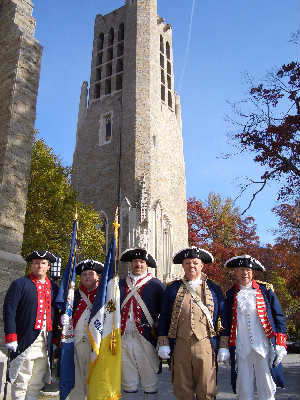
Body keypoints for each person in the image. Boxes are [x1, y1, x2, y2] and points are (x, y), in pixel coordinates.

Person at [157, 246, 229, 400]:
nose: (192, 266)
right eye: (188, 263)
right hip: (180, 344)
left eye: (195, 263)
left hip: (205, 344)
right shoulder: (172, 289)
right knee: (182, 389)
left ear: (202, 265)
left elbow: (222, 318)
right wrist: (163, 341)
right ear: (182, 266)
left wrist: (223, 345)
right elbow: (164, 317)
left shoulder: (214, 289)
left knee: (206, 389)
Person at [224, 254, 287, 400]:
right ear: (235, 272)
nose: (244, 273)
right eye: (240, 269)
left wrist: (280, 343)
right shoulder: (230, 294)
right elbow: (226, 323)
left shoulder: (266, 291)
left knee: (267, 387)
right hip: (241, 348)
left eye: (247, 269)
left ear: (253, 272)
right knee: (244, 389)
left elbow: (279, 318)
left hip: (263, 347)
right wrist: (225, 346)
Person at [3, 250, 59, 400]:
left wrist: (54, 340)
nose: (39, 266)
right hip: (25, 340)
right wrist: (11, 336)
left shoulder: (54, 288)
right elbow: (9, 310)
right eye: (36, 263)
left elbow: (58, 315)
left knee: (36, 383)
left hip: (45, 343)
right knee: (21, 381)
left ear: (48, 266)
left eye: (43, 263)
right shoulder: (20, 284)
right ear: (31, 265)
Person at [119, 248, 165, 400]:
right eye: (135, 262)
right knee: (128, 381)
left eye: (141, 262)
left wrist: (162, 339)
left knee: (149, 380)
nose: (138, 264)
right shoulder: (119, 285)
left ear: (146, 265)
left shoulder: (156, 285)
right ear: (130, 264)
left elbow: (164, 313)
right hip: (124, 337)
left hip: (146, 337)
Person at [67, 258, 104, 400]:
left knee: (95, 378)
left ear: (97, 276)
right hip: (77, 341)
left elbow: (112, 311)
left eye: (90, 273)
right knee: (77, 378)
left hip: (97, 342)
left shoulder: (105, 294)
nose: (87, 277)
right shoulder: (74, 295)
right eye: (84, 274)